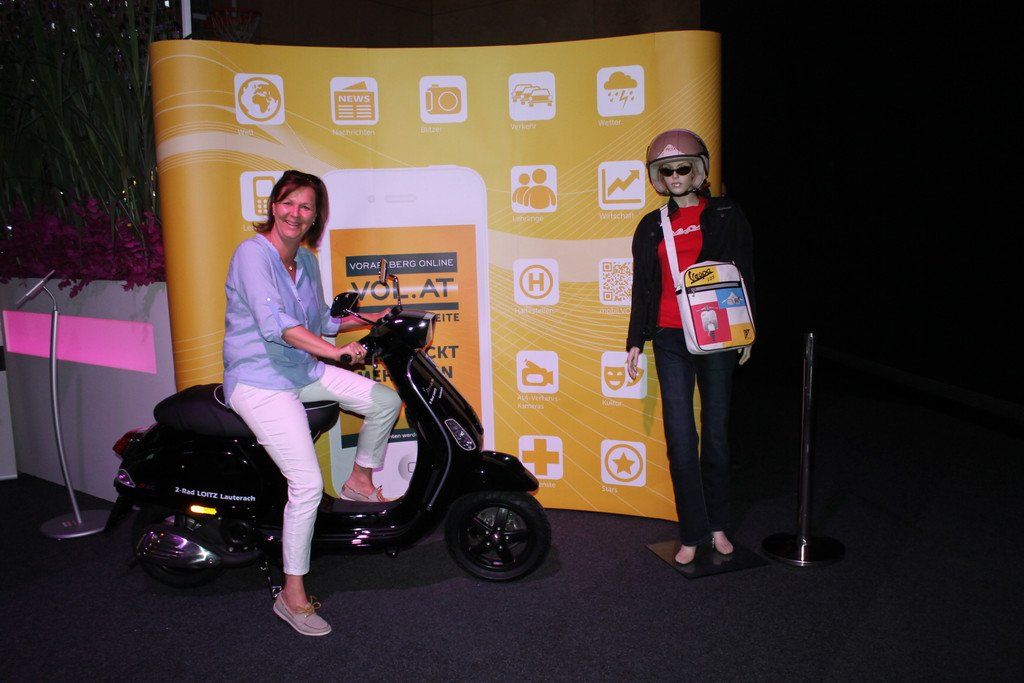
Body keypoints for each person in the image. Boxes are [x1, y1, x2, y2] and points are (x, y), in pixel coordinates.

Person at [223, 170, 402, 635]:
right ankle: (291, 595)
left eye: (306, 206)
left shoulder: (304, 259)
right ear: (273, 206)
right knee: (305, 484)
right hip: (260, 381)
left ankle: (359, 480)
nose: (295, 213)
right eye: (288, 202)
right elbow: (275, 324)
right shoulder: (252, 254)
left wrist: (373, 319)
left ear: (315, 215)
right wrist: (335, 353)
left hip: (300, 370)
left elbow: (320, 319)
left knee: (384, 401)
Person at [625, 130, 754, 565]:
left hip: (717, 334)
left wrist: (748, 329)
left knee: (715, 435)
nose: (676, 176)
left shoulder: (725, 213)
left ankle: (718, 525)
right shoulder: (651, 225)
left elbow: (743, 272)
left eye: (683, 167)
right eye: (667, 170)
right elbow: (642, 286)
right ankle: (692, 531)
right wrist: (635, 341)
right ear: (657, 177)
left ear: (698, 169)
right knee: (681, 439)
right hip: (669, 337)